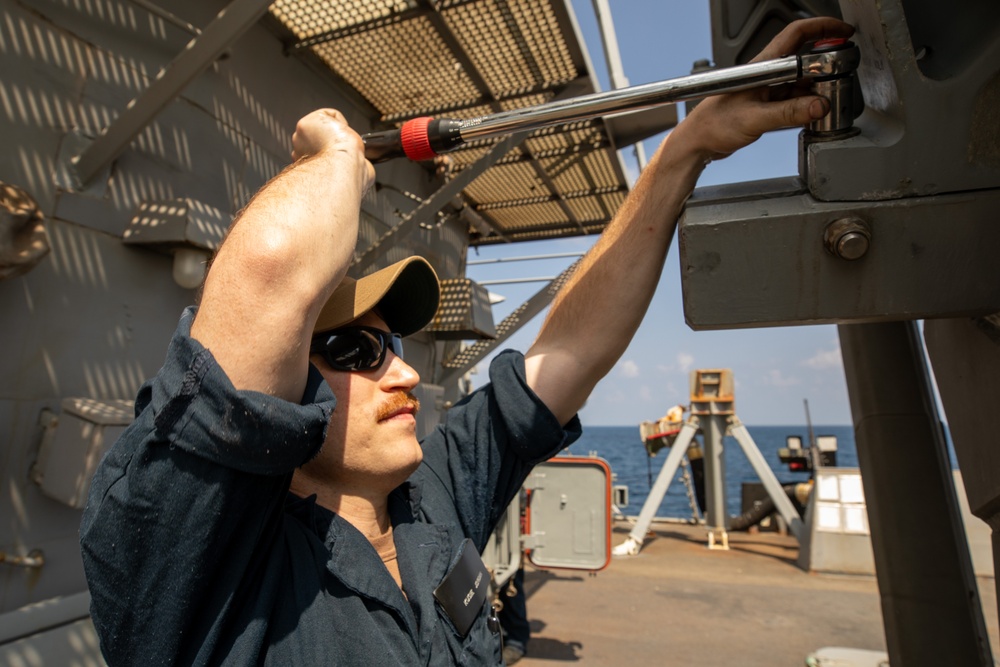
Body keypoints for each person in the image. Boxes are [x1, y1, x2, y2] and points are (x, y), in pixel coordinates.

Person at [80, 17, 852, 666]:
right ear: (283, 393)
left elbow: (571, 350)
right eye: (357, 351)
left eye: (396, 346)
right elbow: (268, 276)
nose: (405, 374)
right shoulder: (200, 572)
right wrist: (337, 158)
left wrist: (691, 144)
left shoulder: (433, 493)